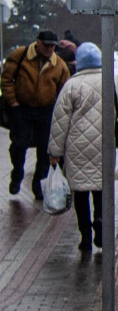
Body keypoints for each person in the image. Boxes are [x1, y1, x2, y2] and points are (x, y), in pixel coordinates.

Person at [49, 43, 118, 253]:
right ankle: (100, 223)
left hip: (76, 145)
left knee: (80, 192)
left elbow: (59, 122)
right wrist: (113, 117)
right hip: (104, 143)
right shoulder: (111, 80)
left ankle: (85, 237)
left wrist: (54, 153)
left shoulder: (71, 85)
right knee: (101, 187)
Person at [2, 29, 70, 201]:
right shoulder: (21, 55)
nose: (49, 50)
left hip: (45, 109)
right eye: (46, 45)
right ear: (38, 43)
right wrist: (13, 102)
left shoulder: (59, 65)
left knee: (45, 148)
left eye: (52, 47)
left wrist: (58, 108)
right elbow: (6, 78)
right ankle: (17, 172)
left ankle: (38, 184)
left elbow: (64, 89)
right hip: (21, 108)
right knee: (18, 144)